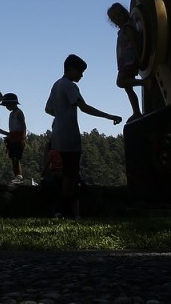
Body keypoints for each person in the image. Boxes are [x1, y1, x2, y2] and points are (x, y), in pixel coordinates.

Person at [44, 54, 122, 218]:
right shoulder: (70, 85)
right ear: (70, 69)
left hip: (57, 134)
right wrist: (109, 116)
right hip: (69, 136)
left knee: (65, 174)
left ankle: (61, 210)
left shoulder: (56, 85)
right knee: (70, 176)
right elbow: (84, 107)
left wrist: (61, 114)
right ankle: (65, 211)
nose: (81, 75)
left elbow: (48, 109)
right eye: (80, 71)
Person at [108, 2, 146, 121]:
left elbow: (134, 43)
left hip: (130, 61)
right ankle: (136, 111)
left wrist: (139, 57)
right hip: (124, 62)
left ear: (123, 13)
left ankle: (145, 83)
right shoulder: (121, 30)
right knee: (128, 88)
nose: (116, 19)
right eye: (113, 18)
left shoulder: (128, 28)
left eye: (118, 15)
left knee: (121, 82)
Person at [1, 93, 27, 183]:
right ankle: (16, 176)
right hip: (12, 138)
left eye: (7, 105)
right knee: (13, 157)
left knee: (16, 157)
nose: (6, 107)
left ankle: (19, 176)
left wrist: (23, 137)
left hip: (18, 138)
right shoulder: (12, 114)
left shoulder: (18, 112)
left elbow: (23, 125)